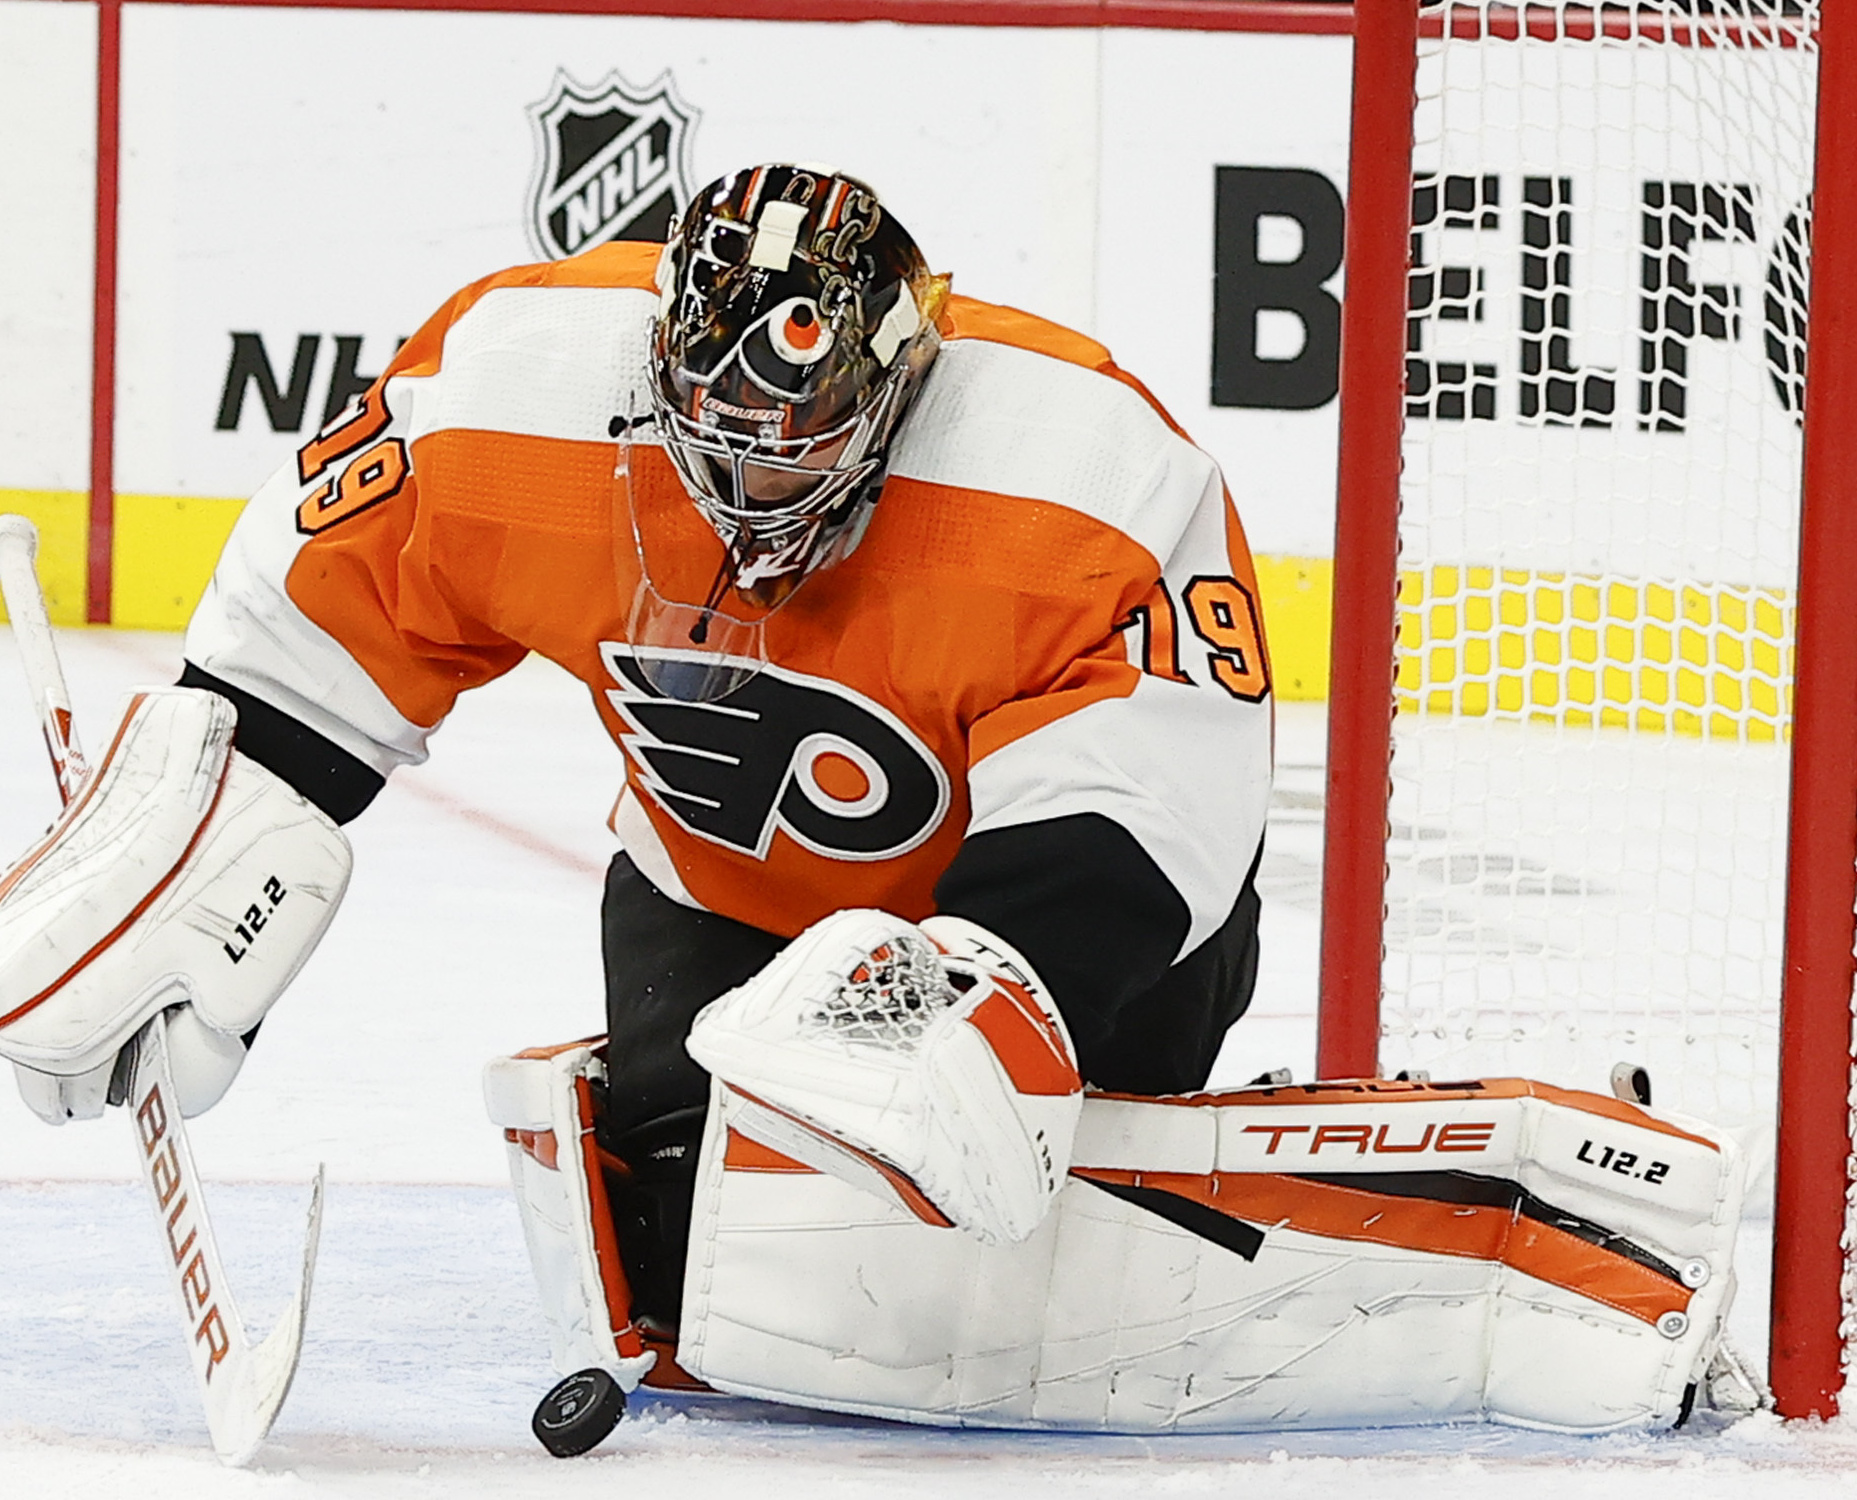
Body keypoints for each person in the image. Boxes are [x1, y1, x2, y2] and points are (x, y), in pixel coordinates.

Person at [195, 165, 1267, 1346]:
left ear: (902, 383)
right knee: (687, 1238)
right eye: (719, 443)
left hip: (1058, 932)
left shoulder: (1079, 465)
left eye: (797, 447)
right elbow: (318, 623)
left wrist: (983, 999)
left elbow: (1153, 788)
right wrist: (196, 845)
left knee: (1032, 1187)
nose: (748, 492)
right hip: (725, 885)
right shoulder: (511, 392)